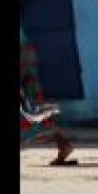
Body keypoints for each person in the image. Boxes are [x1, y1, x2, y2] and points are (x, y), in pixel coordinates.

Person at [19, 25, 76, 166]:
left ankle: (62, 143)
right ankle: (63, 144)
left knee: (31, 106)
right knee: (33, 103)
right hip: (25, 51)